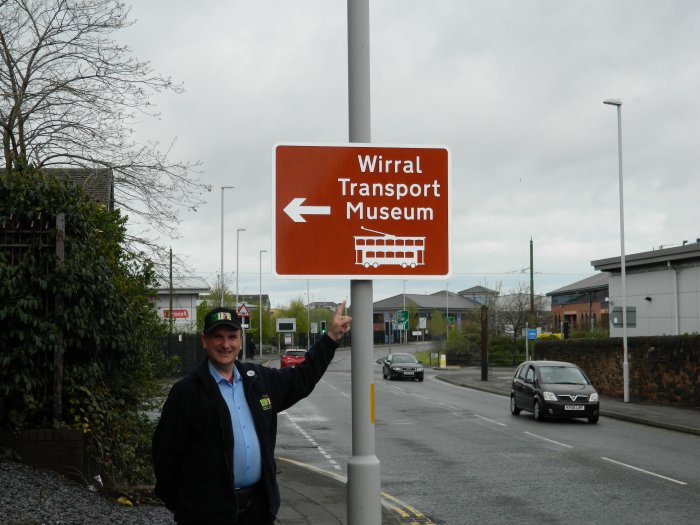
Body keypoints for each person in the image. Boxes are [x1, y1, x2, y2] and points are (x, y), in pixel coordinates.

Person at [152, 302, 351, 524]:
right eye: (217, 336)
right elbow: (165, 455)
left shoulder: (258, 380)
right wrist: (184, 505)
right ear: (204, 341)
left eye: (232, 336)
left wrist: (330, 338)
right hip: (206, 514)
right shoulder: (186, 392)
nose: (225, 344)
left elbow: (302, 378)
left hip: (257, 511)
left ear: (240, 340)